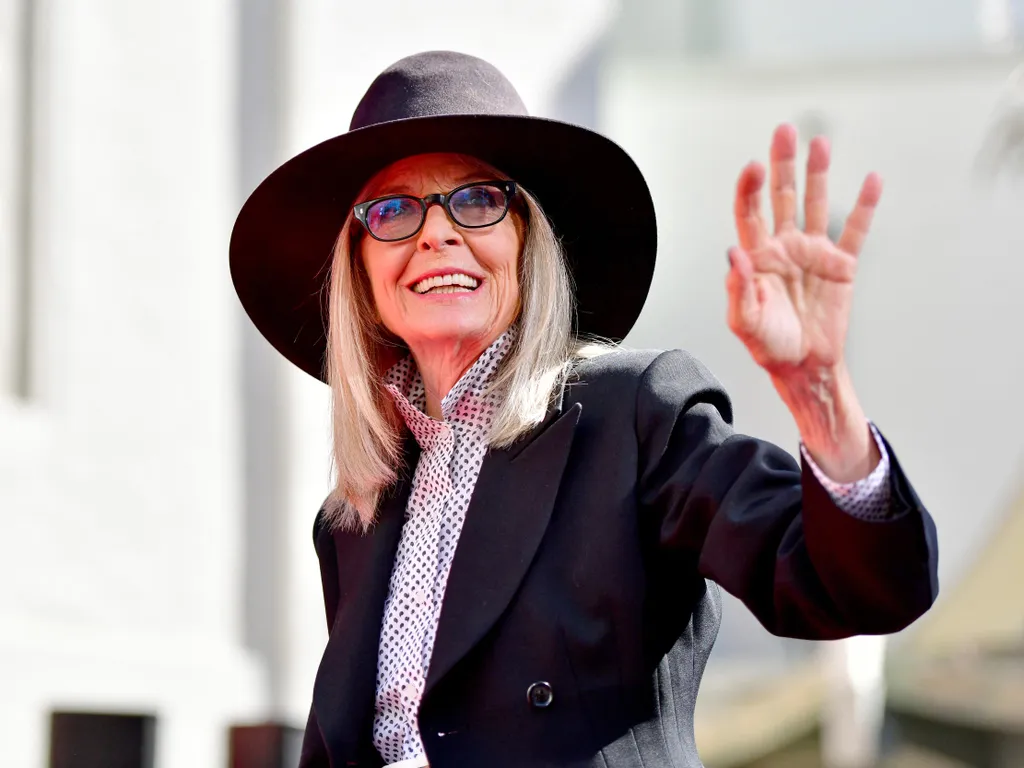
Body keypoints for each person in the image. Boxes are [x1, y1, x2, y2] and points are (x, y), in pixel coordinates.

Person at [230, 51, 938, 768]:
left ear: (529, 242)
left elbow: (856, 589)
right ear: (360, 270)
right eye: (392, 211)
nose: (435, 234)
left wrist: (818, 393)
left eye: (477, 200)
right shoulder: (352, 517)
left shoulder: (634, 417)